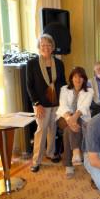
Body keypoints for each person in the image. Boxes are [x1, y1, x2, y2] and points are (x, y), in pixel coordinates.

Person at [26, 34, 66, 173]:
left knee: (52, 128)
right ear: (39, 47)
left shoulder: (59, 64)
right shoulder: (32, 64)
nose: (46, 47)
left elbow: (63, 83)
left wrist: (62, 101)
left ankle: (51, 153)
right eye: (43, 45)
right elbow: (29, 86)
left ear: (52, 47)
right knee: (41, 130)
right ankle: (36, 160)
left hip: (55, 102)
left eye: (48, 45)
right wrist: (36, 103)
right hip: (41, 104)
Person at [56, 67, 94, 179]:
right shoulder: (64, 89)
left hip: (81, 118)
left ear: (84, 79)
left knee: (68, 130)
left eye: (80, 77)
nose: (78, 79)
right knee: (70, 125)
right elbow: (62, 105)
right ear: (71, 78)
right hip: (63, 117)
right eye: (75, 76)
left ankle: (69, 165)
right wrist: (69, 118)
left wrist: (74, 118)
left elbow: (84, 107)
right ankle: (76, 151)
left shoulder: (89, 91)